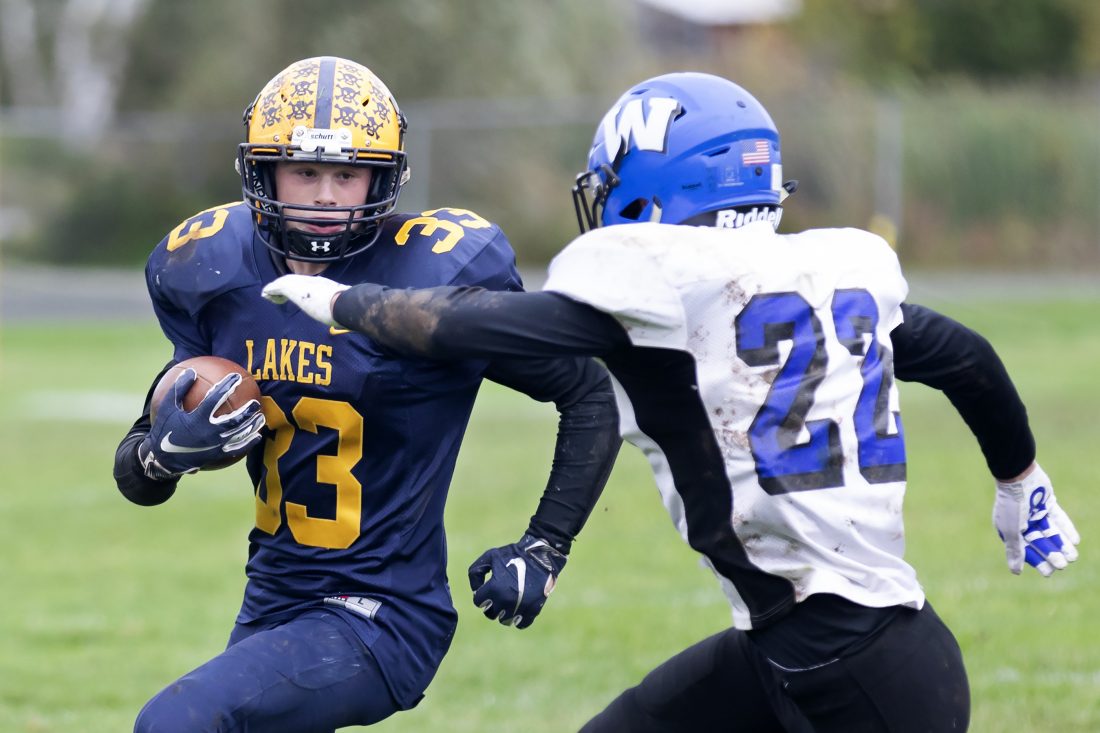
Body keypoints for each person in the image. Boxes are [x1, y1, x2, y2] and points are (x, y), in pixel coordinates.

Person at [262, 72, 1081, 732]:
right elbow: (967, 357)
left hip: (862, 680)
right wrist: (1021, 476)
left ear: (657, 188)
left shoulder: (675, 287)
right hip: (820, 651)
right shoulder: (824, 275)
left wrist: (344, 301)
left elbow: (474, 326)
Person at [112, 56, 621, 732]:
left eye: (346, 175)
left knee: (178, 721)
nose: (325, 195)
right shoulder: (215, 271)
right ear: (263, 173)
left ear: (383, 179)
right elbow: (136, 470)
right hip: (272, 602)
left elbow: (589, 393)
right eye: (305, 171)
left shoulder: (429, 276)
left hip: (384, 613)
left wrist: (545, 544)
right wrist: (162, 457)